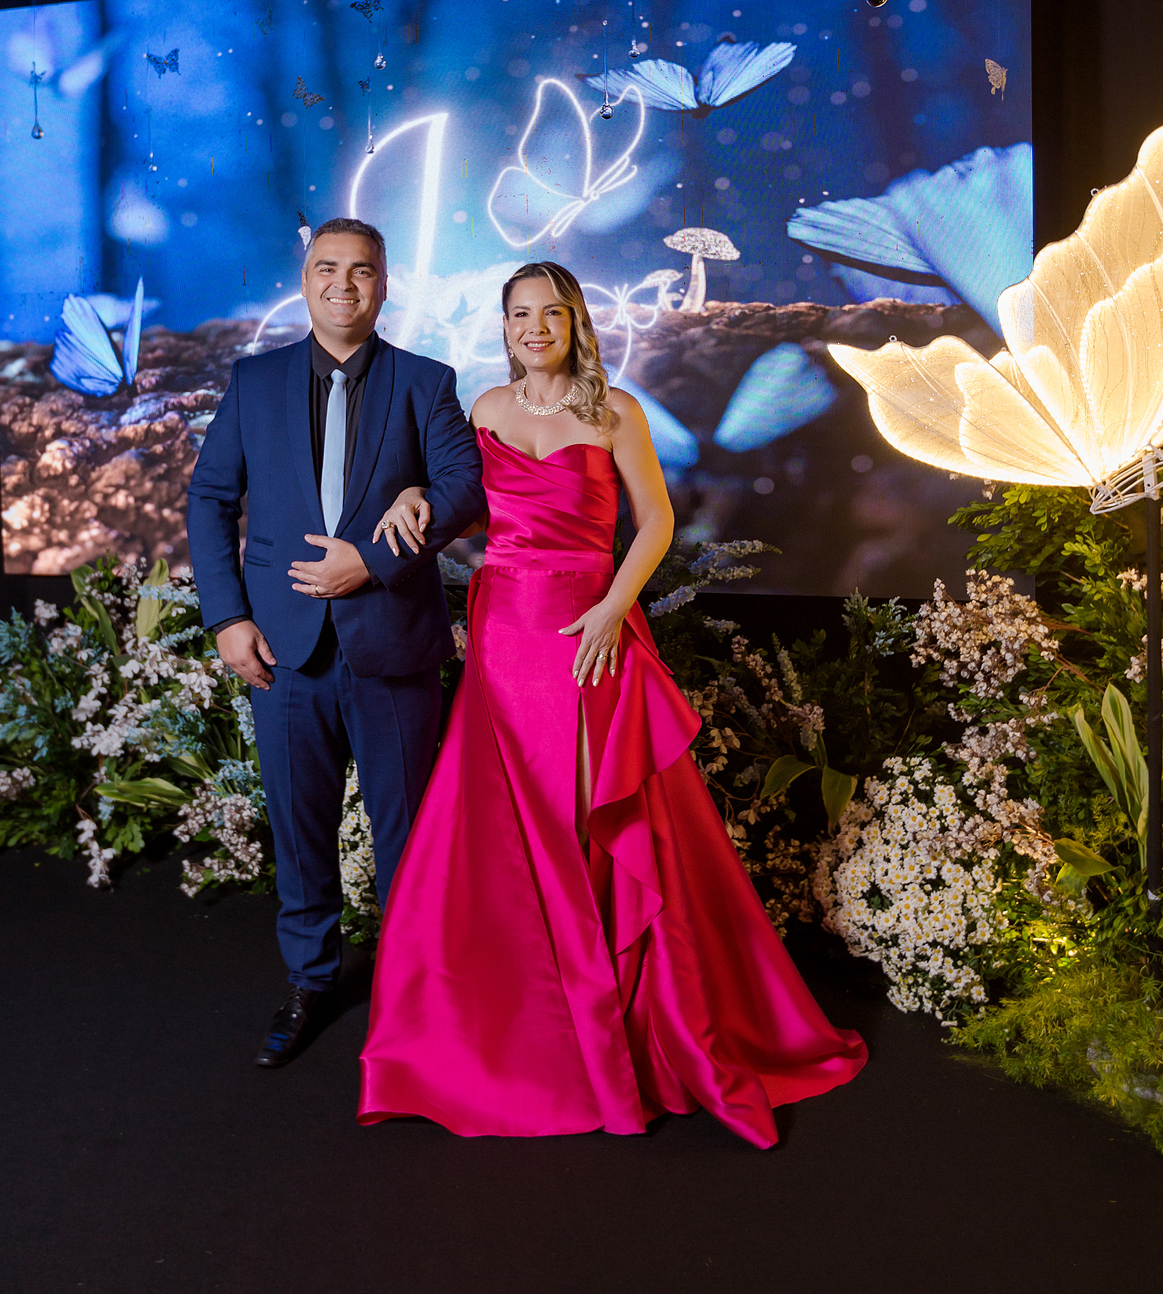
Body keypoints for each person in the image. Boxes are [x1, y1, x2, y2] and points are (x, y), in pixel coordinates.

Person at [356, 260, 866, 1149]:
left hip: (588, 633)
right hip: (506, 639)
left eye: (551, 314)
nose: (535, 328)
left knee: (592, 819)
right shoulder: (485, 411)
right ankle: (536, 1027)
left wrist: (612, 608)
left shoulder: (616, 411)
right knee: (516, 827)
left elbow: (657, 520)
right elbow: (467, 510)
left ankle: (624, 1017)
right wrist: (410, 493)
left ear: (575, 323)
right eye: (520, 314)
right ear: (505, 326)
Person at [186, 218, 485, 1068]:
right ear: (305, 277)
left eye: (361, 270)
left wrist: (374, 558)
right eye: (328, 268)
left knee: (408, 837)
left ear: (384, 283)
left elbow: (467, 490)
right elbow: (210, 498)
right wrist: (227, 618)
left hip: (393, 648)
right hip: (283, 654)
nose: (343, 285)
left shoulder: (425, 381)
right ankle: (309, 982)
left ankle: (417, 996)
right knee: (300, 833)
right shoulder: (254, 381)